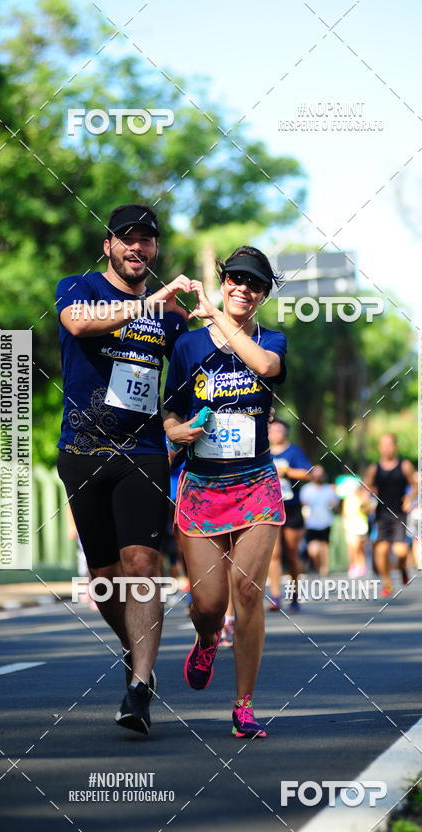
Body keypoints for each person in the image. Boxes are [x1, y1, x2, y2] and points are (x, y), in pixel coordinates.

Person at [56, 203, 189, 735]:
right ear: (109, 245)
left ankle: (139, 684)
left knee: (142, 566)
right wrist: (149, 305)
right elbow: (78, 325)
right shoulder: (78, 287)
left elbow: (191, 377)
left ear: (155, 250)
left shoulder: (172, 319)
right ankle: (136, 653)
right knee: (105, 579)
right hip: (84, 451)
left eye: (147, 240)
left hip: (144, 453)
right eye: (127, 239)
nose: (138, 248)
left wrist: (182, 426)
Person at [163, 245, 286, 739]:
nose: (242, 288)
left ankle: (244, 706)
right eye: (234, 278)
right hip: (202, 487)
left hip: (257, 483)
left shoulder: (272, 339)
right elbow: (168, 410)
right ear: (223, 278)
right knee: (210, 602)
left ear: (262, 295)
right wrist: (174, 431)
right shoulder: (189, 347)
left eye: (253, 284)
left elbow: (264, 366)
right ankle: (207, 637)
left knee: (248, 593)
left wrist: (215, 311)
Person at [364, 433, 416, 596]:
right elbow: (367, 487)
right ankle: (387, 583)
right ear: (380, 448)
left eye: (389, 444)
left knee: (400, 551)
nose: (386, 448)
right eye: (383, 445)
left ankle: (402, 568)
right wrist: (367, 501)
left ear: (395, 447)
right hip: (381, 514)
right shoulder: (374, 468)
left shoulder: (404, 465)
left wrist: (409, 498)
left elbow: (415, 486)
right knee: (381, 550)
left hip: (399, 513)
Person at [268, 420, 312, 612]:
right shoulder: (262, 452)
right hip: (269, 508)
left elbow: (307, 473)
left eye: (279, 429)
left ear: (285, 432)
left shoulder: (294, 451)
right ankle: (276, 596)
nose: (276, 432)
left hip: (291, 507)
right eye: (272, 429)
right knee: (274, 554)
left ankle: (294, 594)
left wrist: (286, 472)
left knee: (292, 553)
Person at [300, 465, 339, 575]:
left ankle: (324, 568)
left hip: (326, 522)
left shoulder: (329, 489)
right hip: (311, 523)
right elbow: (303, 505)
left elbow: (335, 505)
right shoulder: (306, 489)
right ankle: (317, 566)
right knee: (313, 550)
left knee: (324, 546)